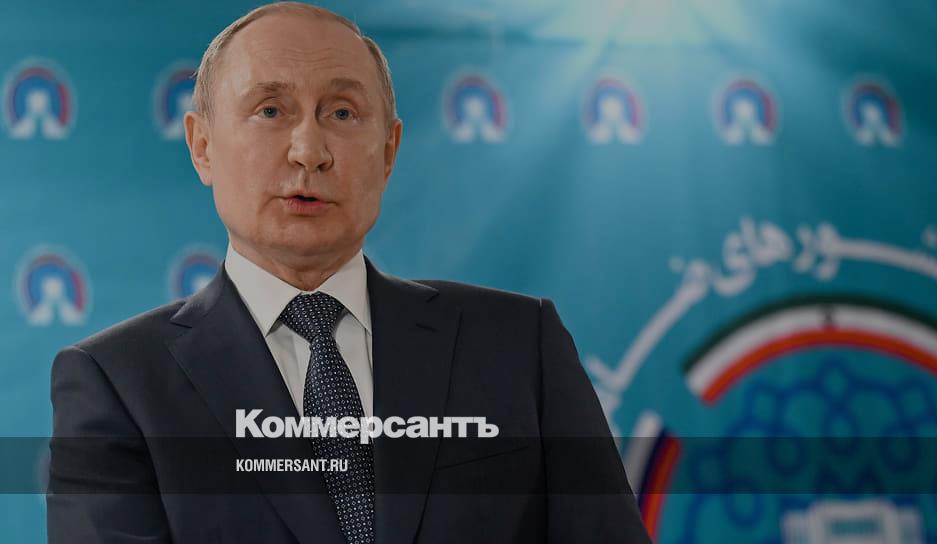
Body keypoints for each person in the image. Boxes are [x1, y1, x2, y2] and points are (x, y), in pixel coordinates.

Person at [46, 3, 651, 543]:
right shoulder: (118, 382)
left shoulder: (519, 345)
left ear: (388, 151)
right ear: (202, 146)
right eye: (270, 110)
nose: (309, 151)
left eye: (342, 111)